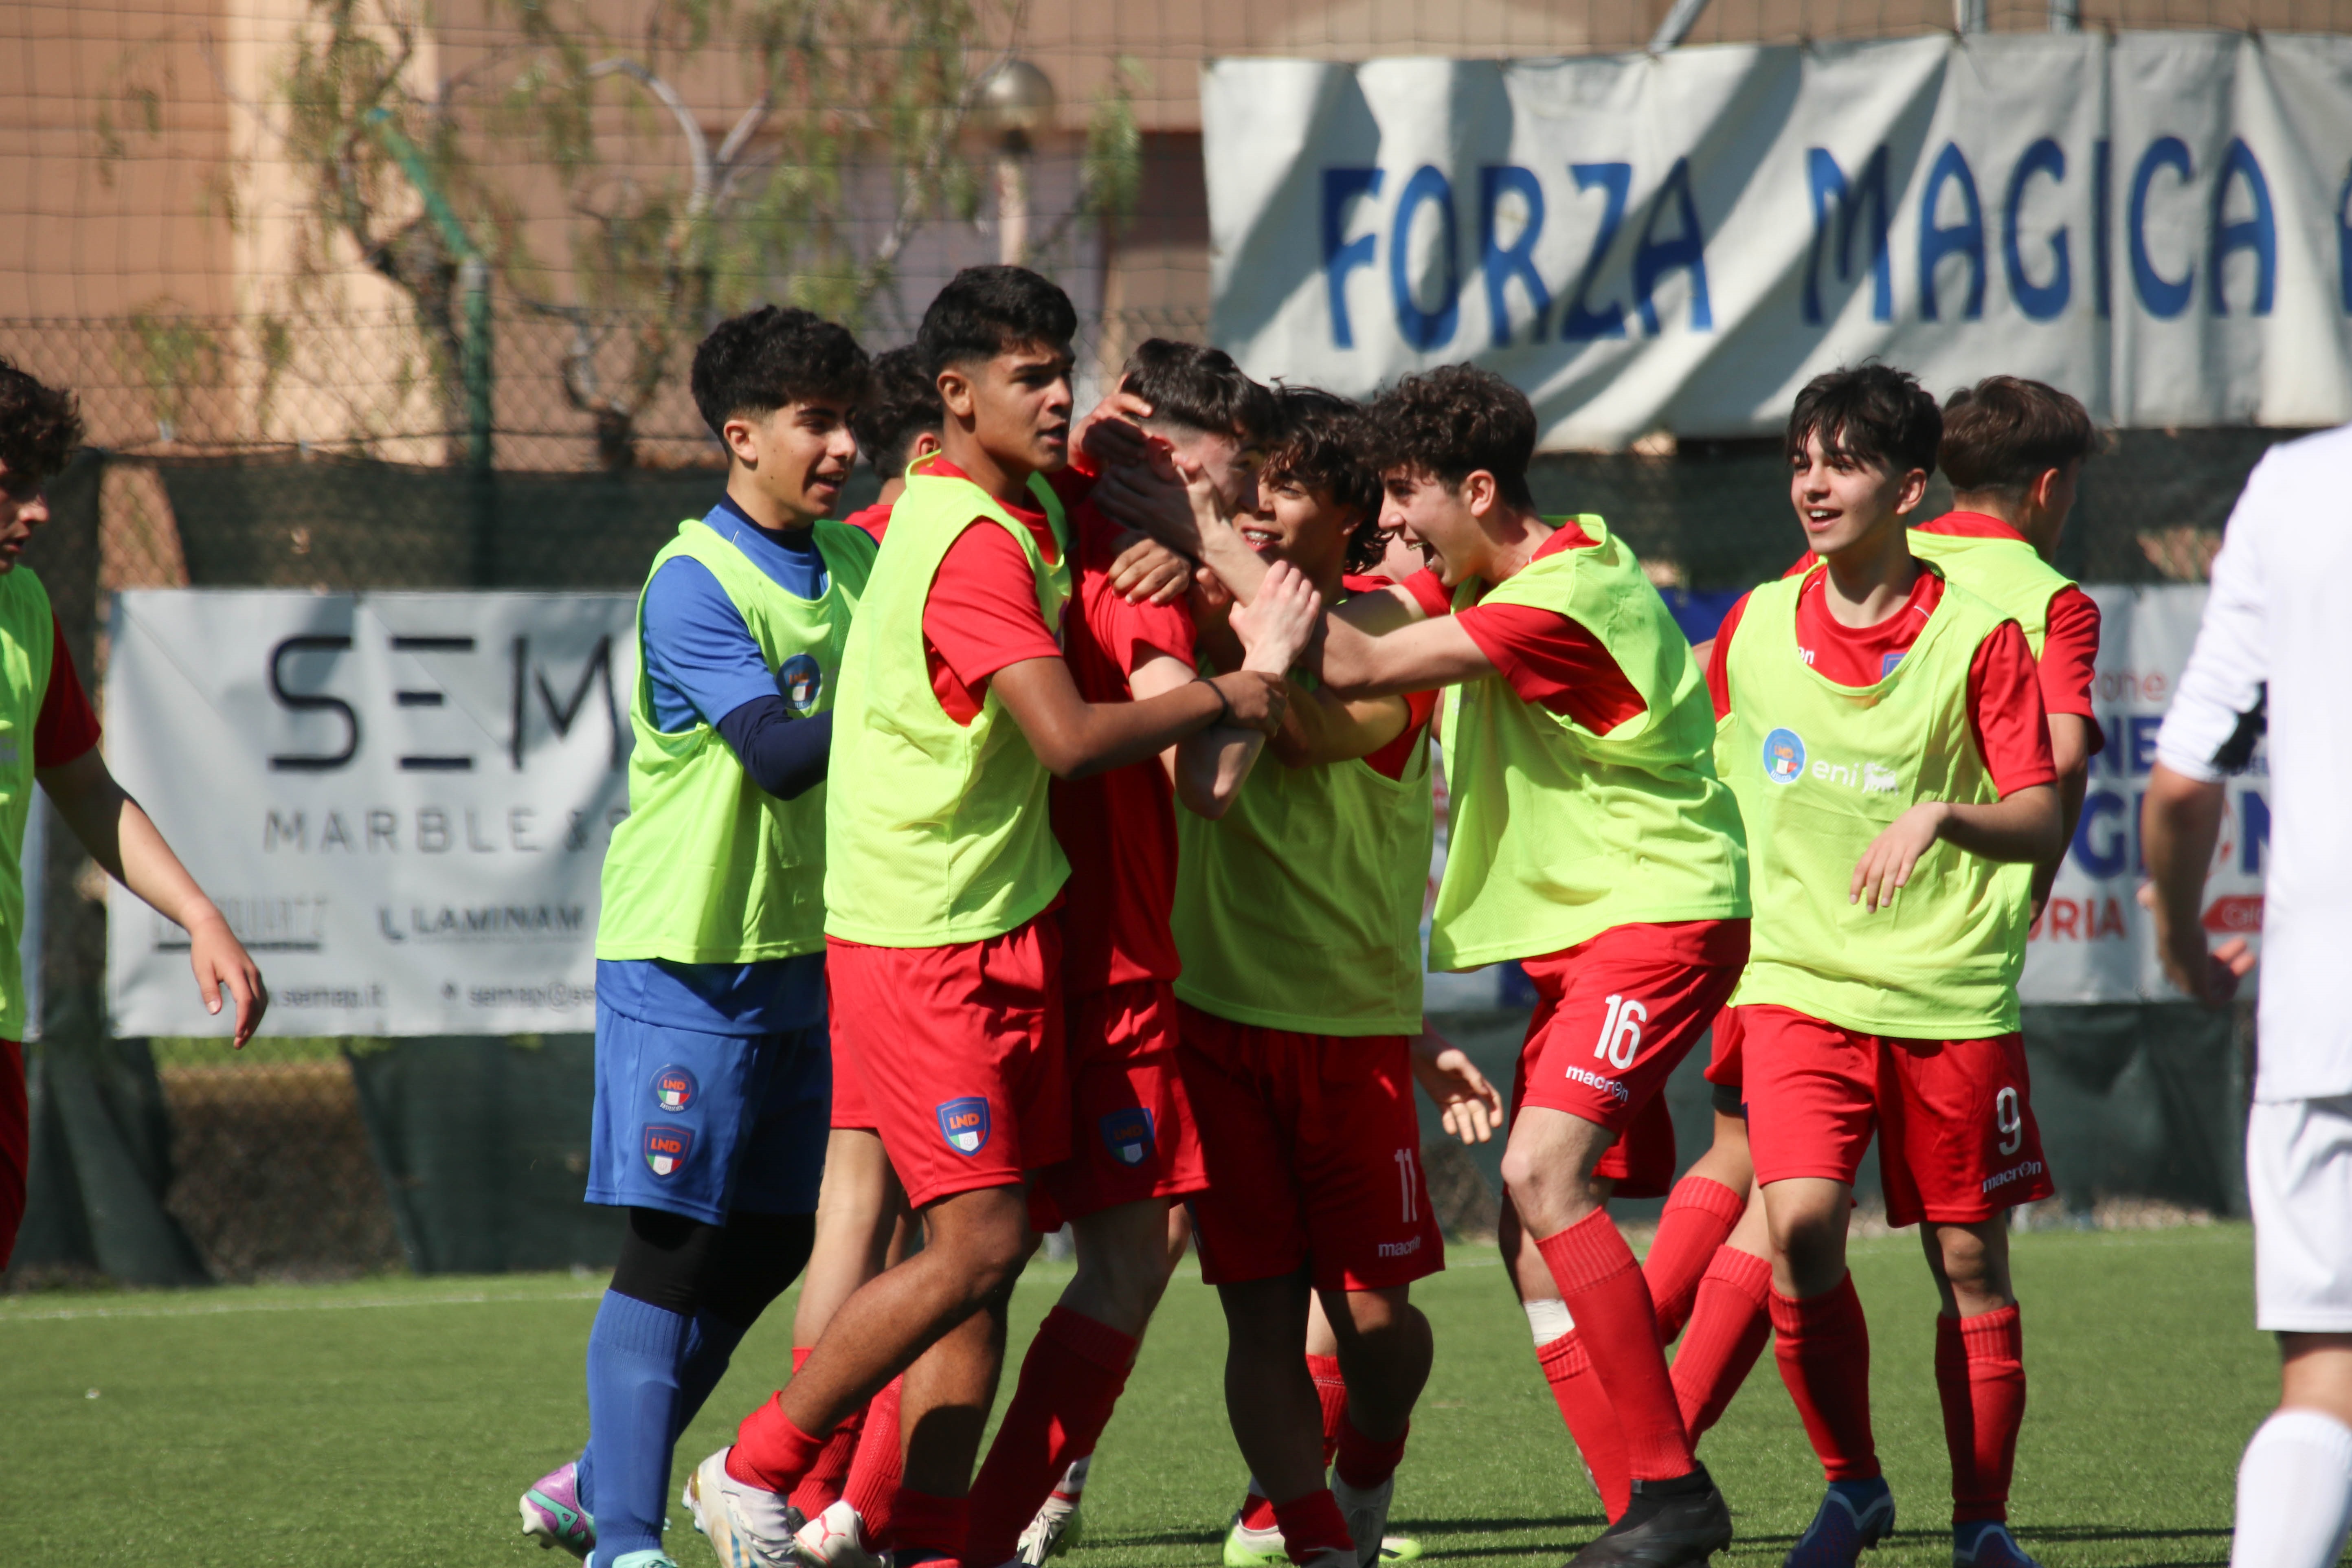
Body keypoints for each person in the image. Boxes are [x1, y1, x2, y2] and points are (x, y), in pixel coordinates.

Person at [692, 266, 1287, 1568]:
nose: (1064, 396)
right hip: (933, 939)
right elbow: (1084, 745)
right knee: (969, 1244)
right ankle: (759, 1467)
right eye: (1032, 375)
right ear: (955, 398)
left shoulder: (1040, 512)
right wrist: (1244, 685)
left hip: (1008, 927)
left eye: (1066, 370)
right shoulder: (967, 537)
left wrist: (1192, 543)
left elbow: (1132, 461)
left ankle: (928, 1536)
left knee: (980, 1251)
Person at [1660, 373, 2109, 1470]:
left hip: (1937, 981)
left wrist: (1946, 820)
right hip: (1810, 966)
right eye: (1802, 464)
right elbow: (2062, 769)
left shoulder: (1960, 615)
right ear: (2053, 488)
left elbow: (2028, 790)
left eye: (1839, 464)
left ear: (1919, 487)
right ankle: (1662, 1445)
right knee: (1793, 1209)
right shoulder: (2046, 598)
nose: (1815, 486)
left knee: (1796, 1194)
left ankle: (1652, 1419)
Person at [1092, 385, 1478, 1568]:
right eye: (1252, 481)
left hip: (1352, 1030)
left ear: (1356, 513)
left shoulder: (1393, 634)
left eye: (1290, 486)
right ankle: (1315, 1541)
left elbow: (1305, 723)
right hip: (1217, 1019)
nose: (1258, 504)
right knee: (1258, 1314)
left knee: (1374, 1327)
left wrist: (1208, 583)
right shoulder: (1206, 598)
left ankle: (1367, 1457)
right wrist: (1166, 571)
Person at [518, 306, 872, 1568]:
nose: (841, 444)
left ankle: (598, 1478)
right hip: (687, 959)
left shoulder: (854, 565)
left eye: (850, 418)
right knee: (672, 1242)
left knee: (777, 1233)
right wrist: (920, 686)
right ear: (741, 437)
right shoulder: (693, 579)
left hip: (805, 959)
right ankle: (623, 1537)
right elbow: (779, 756)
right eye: (812, 422)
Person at [962, 338, 1318, 1568]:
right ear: (1166, 454)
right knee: (1103, 1255)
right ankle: (928, 1509)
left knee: (947, 1247)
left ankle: (854, 1502)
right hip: (1104, 949)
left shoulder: (997, 508)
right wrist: (1261, 666)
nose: (1246, 507)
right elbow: (1208, 784)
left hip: (975, 935)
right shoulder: (1128, 549)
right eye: (1229, 480)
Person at [0, 358, 270, 1275]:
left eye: (41, 486)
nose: (36, 511)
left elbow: (84, 787)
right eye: (11, 485)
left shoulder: (25, 609)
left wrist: (199, 916)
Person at [2141, 426, 2346, 1568]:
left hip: (2325, 1010)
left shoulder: (2298, 486)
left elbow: (2180, 784)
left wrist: (2179, 937)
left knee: (2324, 1375)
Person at [780, 341, 941, 1566]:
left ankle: (796, 1485)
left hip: (859, 916)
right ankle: (817, 1486)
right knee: (964, 1242)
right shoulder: (929, 544)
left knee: (864, 1212)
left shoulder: (864, 543)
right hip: (932, 921)